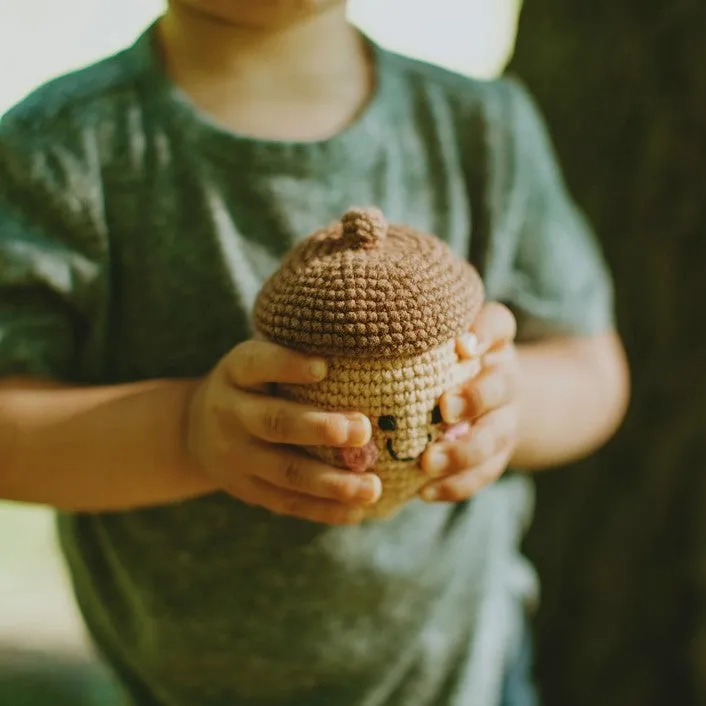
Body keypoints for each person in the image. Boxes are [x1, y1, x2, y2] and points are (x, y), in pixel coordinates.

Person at [0, 1, 630, 704]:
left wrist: (510, 409)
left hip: (462, 674)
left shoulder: (479, 129)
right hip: (176, 686)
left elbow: (592, 368)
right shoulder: (58, 146)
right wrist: (186, 433)